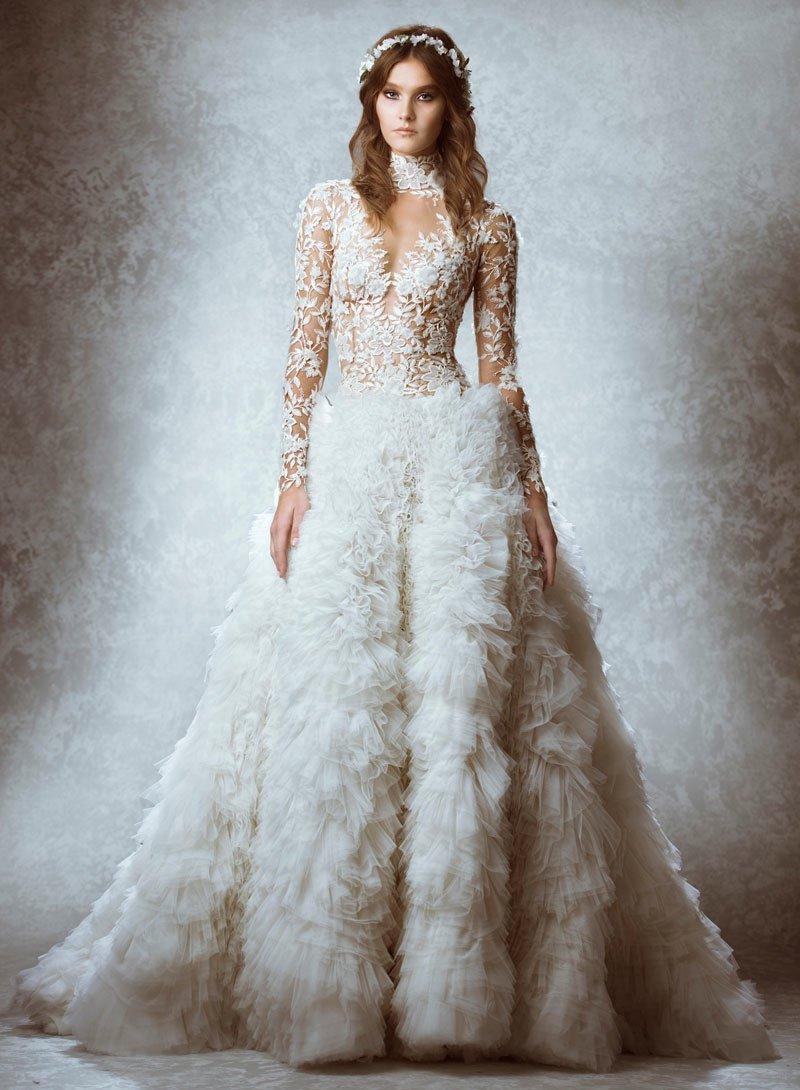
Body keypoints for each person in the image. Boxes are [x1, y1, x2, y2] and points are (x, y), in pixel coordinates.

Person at [13, 24, 780, 1073]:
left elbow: (500, 370)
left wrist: (533, 494)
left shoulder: (489, 225)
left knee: (459, 714)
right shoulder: (328, 207)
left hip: (456, 470)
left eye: (423, 95)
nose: (405, 112)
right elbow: (303, 350)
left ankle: (458, 983)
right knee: (337, 712)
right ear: (369, 104)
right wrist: (293, 477)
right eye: (389, 94)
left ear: (450, 108)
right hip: (355, 464)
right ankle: (324, 982)